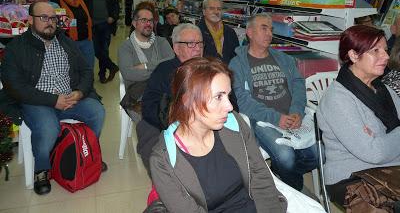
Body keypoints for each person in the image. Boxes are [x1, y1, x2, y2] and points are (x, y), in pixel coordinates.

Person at [150, 57, 287, 212]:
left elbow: (260, 176)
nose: (229, 106)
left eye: (228, 95)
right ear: (188, 101)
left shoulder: (234, 123)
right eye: (218, 97)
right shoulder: (163, 161)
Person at [0, 1, 106, 195]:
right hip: (37, 101)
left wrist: (80, 92)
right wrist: (52, 100)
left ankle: (88, 151)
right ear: (30, 20)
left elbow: (86, 71)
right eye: (44, 18)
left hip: (70, 97)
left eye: (53, 18)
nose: (50, 22)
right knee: (49, 127)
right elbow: (13, 86)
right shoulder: (16, 48)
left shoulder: (66, 42)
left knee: (97, 112)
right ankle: (42, 169)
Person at [229, 12, 318, 191]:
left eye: (271, 29)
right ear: (250, 32)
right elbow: (244, 102)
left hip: (293, 116)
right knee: (286, 157)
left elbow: (299, 84)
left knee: (319, 154)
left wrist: (297, 111)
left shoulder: (284, 58)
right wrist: (277, 118)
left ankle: (279, 175)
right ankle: (295, 192)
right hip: (262, 121)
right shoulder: (237, 64)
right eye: (264, 28)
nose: (269, 33)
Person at [317, 25, 400, 206]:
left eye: (385, 50)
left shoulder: (382, 89)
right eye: (375, 51)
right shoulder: (337, 99)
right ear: (354, 55)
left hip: (390, 168)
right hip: (351, 177)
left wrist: (383, 140)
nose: (385, 56)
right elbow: (374, 152)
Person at [137, 23, 203, 172]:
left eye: (200, 43)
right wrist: (177, 122)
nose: (198, 48)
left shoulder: (210, 68)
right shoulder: (164, 71)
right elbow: (149, 106)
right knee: (148, 136)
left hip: (206, 123)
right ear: (176, 48)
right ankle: (165, 183)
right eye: (191, 44)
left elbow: (230, 101)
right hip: (170, 123)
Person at [118, 1, 174, 121]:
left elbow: (171, 63)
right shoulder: (126, 47)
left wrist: (144, 66)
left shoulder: (161, 42)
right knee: (154, 117)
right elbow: (129, 74)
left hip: (164, 91)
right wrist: (160, 69)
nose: (148, 24)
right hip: (138, 96)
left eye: (150, 20)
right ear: (134, 23)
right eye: (144, 20)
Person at [79, 0, 119, 83]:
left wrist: (113, 16)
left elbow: (115, 3)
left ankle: (102, 74)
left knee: (104, 50)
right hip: (91, 25)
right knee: (96, 49)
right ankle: (112, 66)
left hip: (105, 24)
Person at [51, 0, 95, 69]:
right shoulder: (56, 3)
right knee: (73, 70)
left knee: (88, 68)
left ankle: (88, 84)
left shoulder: (80, 1)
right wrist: (67, 21)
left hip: (86, 40)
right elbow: (61, 28)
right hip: (69, 43)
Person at [198, 0, 239, 64]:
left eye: (219, 9)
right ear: (204, 11)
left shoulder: (230, 32)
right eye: (211, 8)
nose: (216, 12)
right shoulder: (197, 32)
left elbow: (236, 57)